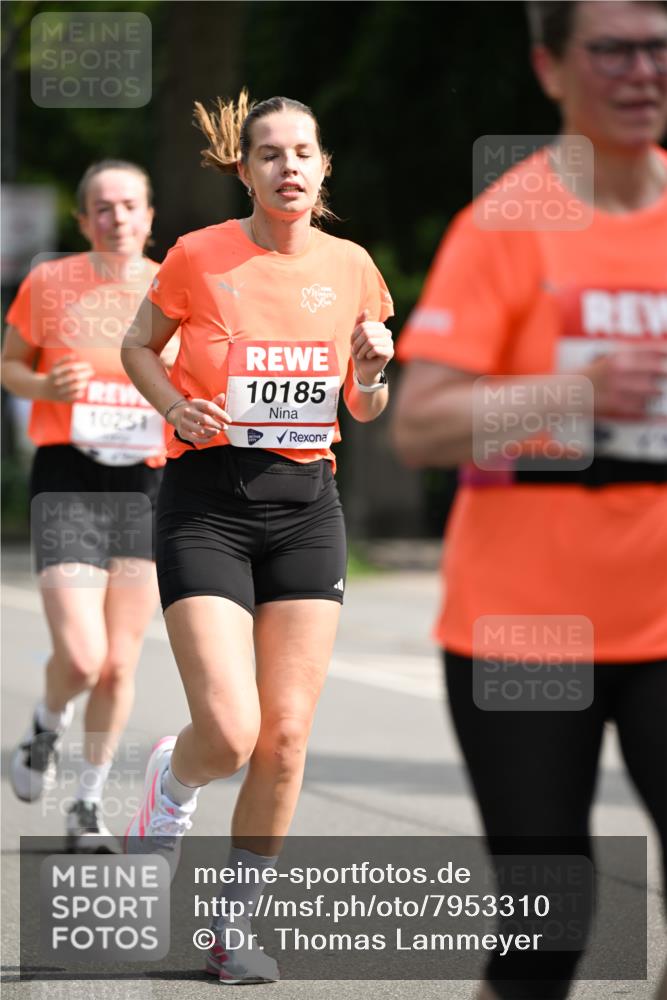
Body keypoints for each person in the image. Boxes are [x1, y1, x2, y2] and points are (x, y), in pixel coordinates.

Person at [393, 3, 667, 999]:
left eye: (658, 48)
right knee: (549, 921)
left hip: (662, 615)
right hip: (525, 626)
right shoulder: (512, 222)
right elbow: (419, 423)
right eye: (613, 51)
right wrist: (576, 393)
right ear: (550, 68)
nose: (642, 71)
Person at [120, 90, 394, 984]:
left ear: (322, 168)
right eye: (268, 154)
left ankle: (232, 928)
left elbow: (363, 406)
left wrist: (371, 371)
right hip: (206, 500)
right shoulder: (199, 256)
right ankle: (174, 780)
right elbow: (137, 348)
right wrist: (174, 406)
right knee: (231, 733)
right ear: (244, 169)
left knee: (283, 740)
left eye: (302, 152)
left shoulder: (352, 265)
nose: (287, 168)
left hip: (307, 505)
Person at [2, 160, 173, 851]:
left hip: (145, 482)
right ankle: (46, 724)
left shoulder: (175, 287)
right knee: (80, 655)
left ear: (150, 215)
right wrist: (47, 388)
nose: (117, 218)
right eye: (102, 208)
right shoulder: (51, 283)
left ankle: (89, 803)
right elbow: (8, 365)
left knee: (119, 665)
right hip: (68, 476)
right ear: (83, 221)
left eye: (130, 205)